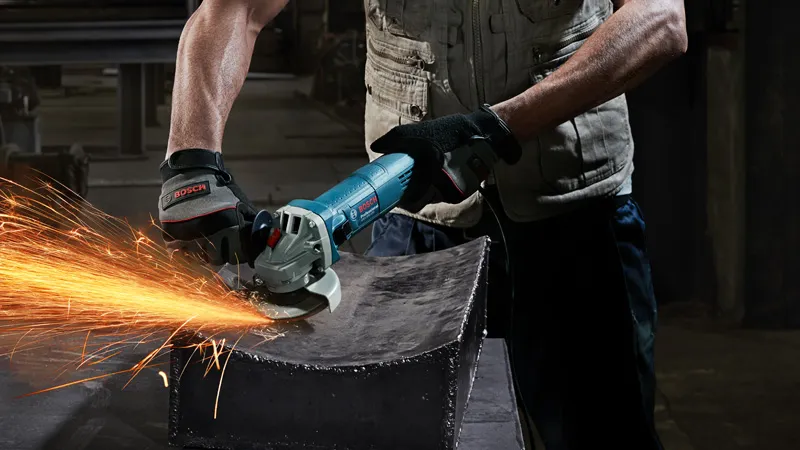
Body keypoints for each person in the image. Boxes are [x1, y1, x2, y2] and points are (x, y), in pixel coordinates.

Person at [158, 1, 687, 448]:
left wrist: (497, 126)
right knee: (408, 429)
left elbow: (661, 18)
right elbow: (236, 8)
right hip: (417, 228)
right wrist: (192, 158)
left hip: (576, 213)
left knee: (604, 433)